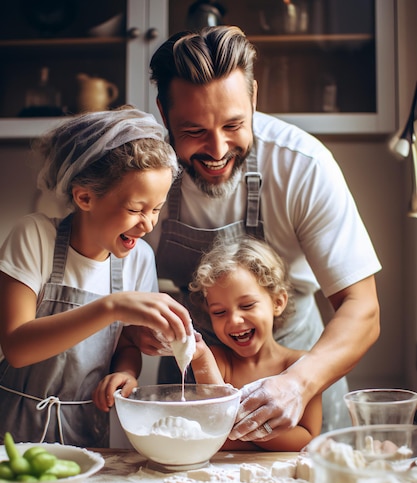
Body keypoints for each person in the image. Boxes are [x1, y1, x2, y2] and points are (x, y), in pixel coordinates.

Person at [146, 25, 381, 438]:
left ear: (253, 97)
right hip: (197, 378)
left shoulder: (303, 165)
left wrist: (297, 383)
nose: (217, 151)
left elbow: (362, 308)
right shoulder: (142, 174)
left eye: (234, 125)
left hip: (300, 368)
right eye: (195, 131)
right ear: (165, 114)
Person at [0, 106, 193, 447]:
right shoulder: (34, 237)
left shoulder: (138, 259)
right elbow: (17, 347)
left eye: (156, 210)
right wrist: (111, 307)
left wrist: (126, 372)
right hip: (13, 428)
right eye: (135, 209)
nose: (147, 224)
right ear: (85, 197)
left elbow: (128, 343)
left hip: (86, 431)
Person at [188, 236, 322, 451]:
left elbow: (305, 439)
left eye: (247, 305)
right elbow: (212, 425)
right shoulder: (216, 360)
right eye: (219, 312)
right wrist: (201, 358)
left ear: (278, 302)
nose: (234, 320)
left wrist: (238, 425)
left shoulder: (300, 365)